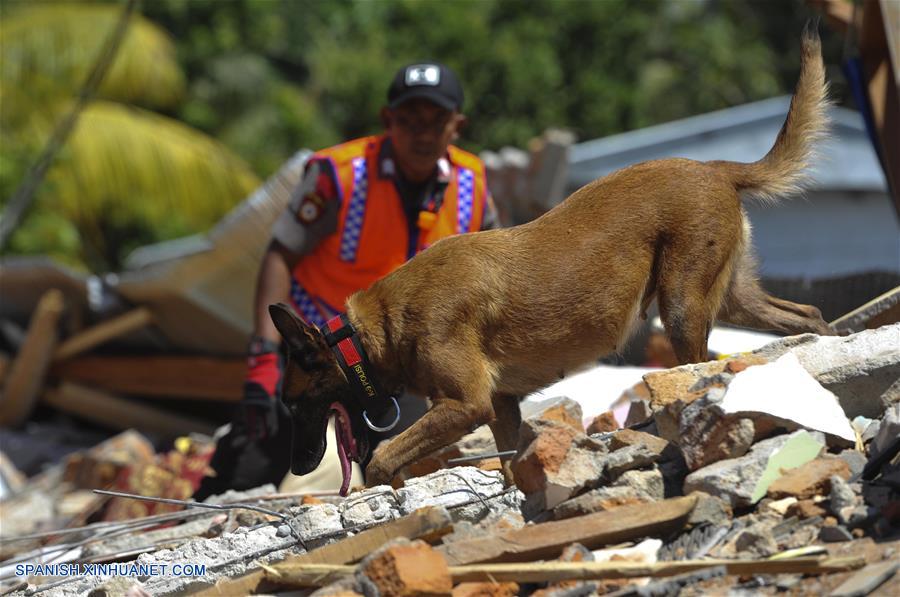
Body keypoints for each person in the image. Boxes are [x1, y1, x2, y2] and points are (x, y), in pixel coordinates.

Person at [195, 62, 499, 500]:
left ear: (457, 125)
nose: (422, 132)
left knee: (410, 478)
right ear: (387, 120)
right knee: (250, 470)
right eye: (409, 119)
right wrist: (264, 357)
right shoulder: (339, 175)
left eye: (435, 120)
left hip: (402, 362)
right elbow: (280, 255)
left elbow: (488, 275)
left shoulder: (472, 185)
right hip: (319, 355)